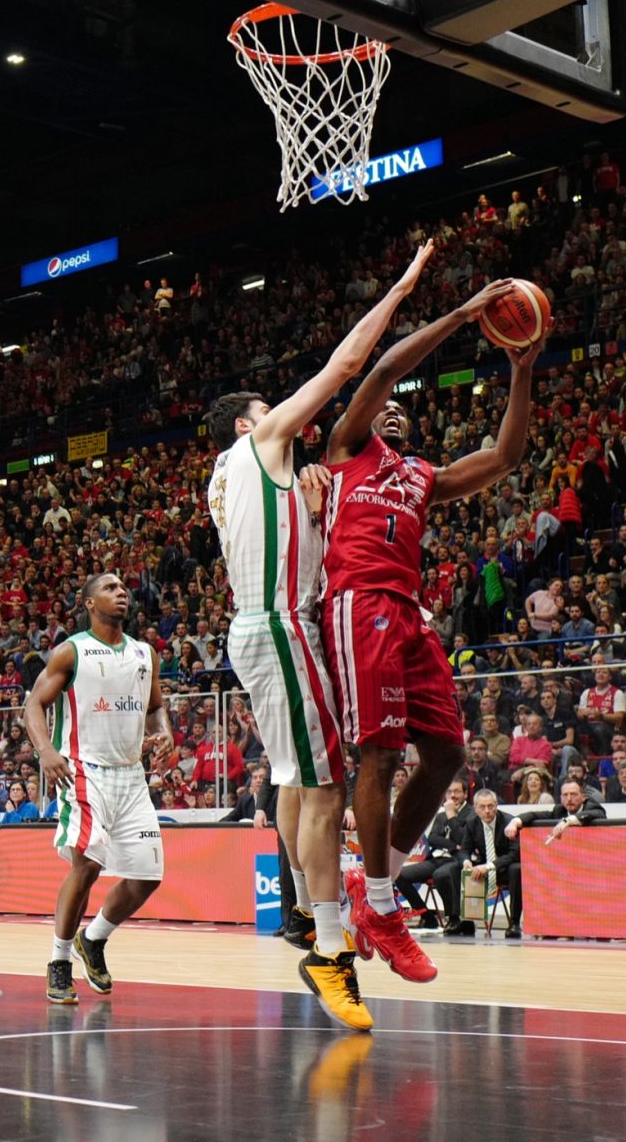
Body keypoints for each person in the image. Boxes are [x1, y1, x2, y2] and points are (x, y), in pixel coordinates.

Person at [206, 245, 436, 1032]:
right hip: (280, 627)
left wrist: (312, 512)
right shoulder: (259, 443)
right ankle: (329, 948)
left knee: (299, 780)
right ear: (249, 422)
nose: (285, 413)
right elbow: (344, 366)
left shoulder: (235, 479)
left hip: (261, 624)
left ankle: (308, 912)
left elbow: (285, 545)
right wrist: (400, 289)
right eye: (270, 407)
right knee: (327, 786)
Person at [316, 278, 541, 982]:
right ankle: (383, 905)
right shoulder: (345, 450)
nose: (392, 412)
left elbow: (503, 458)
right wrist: (463, 315)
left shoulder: (421, 476)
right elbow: (384, 368)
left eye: (402, 414)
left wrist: (522, 368)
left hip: (409, 613)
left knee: (445, 754)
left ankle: (372, 882)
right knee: (380, 755)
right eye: (386, 409)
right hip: (359, 602)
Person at [25, 573, 173, 1006]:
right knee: (88, 864)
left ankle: (93, 939)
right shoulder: (72, 650)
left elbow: (156, 707)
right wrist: (46, 750)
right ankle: (58, 961)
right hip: (84, 771)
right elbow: (34, 704)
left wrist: (164, 731)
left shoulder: (145, 653)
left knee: (147, 876)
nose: (121, 592)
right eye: (109, 588)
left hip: (131, 775)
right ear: (89, 603)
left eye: (123, 587)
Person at [395, 778, 473, 930]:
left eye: (457, 791)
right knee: (400, 875)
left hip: (458, 860)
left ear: (465, 794)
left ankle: (453, 918)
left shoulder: (471, 814)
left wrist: (451, 815)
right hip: (437, 858)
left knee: (441, 875)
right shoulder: (440, 815)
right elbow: (432, 839)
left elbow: (462, 839)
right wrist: (453, 846)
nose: (452, 795)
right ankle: (427, 917)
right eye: (449, 792)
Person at [445, 789, 522, 939]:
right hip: (482, 868)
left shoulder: (508, 821)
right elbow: (464, 849)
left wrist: (488, 866)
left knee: (516, 869)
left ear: (496, 805)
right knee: (455, 868)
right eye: (482, 807)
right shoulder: (472, 822)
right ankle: (464, 920)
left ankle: (514, 923)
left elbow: (514, 854)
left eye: (490, 806)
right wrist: (466, 861)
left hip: (503, 867)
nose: (487, 811)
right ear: (475, 808)